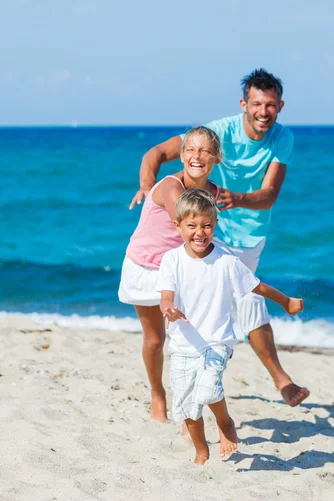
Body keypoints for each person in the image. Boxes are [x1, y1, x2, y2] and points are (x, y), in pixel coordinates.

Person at [129, 68, 310, 408]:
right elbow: (154, 154)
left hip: (251, 235)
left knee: (245, 300)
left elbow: (269, 195)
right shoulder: (216, 133)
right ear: (244, 103)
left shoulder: (283, 139)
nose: (263, 112)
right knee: (242, 300)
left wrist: (236, 198)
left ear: (280, 107)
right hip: (211, 233)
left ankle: (243, 383)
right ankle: (279, 380)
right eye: (257, 103)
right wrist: (146, 185)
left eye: (270, 105)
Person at [158, 189, 304, 464]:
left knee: (209, 391)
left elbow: (257, 286)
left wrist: (286, 302)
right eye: (192, 226)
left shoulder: (227, 262)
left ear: (215, 225)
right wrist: (169, 308)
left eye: (207, 226)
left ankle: (225, 423)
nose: (199, 233)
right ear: (178, 226)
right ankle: (201, 448)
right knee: (187, 406)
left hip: (217, 341)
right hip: (181, 343)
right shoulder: (172, 260)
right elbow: (166, 296)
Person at [119, 126, 222, 422]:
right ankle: (157, 393)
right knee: (154, 341)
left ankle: (188, 408)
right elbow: (190, 225)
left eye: (204, 151)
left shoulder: (214, 193)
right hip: (145, 267)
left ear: (216, 157)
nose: (197, 156)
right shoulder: (170, 187)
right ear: (180, 155)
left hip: (178, 271)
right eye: (190, 150)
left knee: (188, 342)